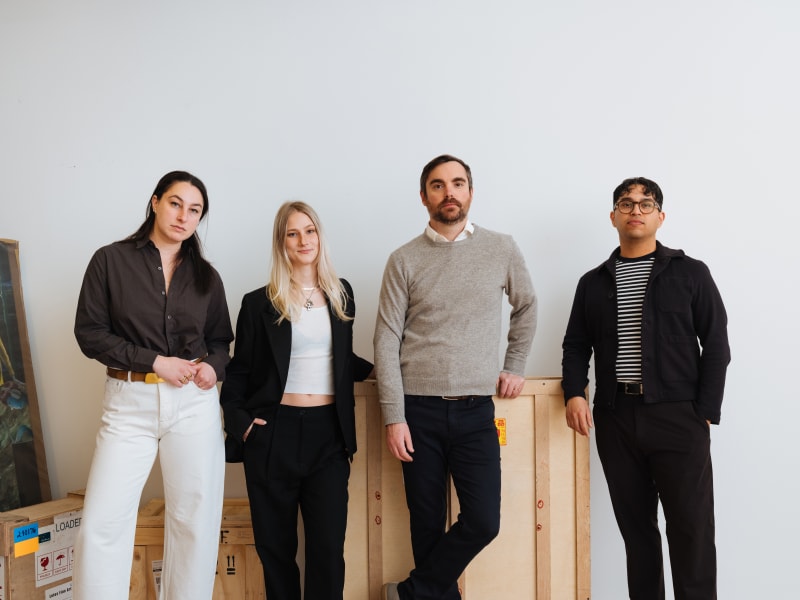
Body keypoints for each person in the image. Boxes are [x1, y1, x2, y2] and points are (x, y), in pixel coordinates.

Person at [374, 154, 538, 600]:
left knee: (484, 520)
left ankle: (410, 593)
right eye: (438, 185)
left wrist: (515, 363)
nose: (449, 192)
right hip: (418, 411)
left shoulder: (501, 248)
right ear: (424, 196)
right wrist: (394, 416)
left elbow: (526, 306)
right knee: (426, 524)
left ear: (470, 191)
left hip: (475, 412)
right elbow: (386, 340)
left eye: (458, 183)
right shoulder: (403, 259)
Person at [561, 177, 730, 600]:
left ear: (660, 216)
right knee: (637, 533)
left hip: (679, 418)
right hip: (617, 418)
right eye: (626, 203)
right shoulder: (593, 282)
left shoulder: (690, 273)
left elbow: (717, 342)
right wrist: (575, 391)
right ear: (614, 216)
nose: (636, 210)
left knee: (690, 530)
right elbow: (576, 344)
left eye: (645, 204)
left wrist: (705, 410)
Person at [73, 170, 233, 599]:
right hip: (129, 403)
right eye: (176, 203)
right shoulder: (110, 260)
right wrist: (155, 361)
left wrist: (212, 368)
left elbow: (221, 342)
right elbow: (89, 333)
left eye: (195, 210)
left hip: (194, 406)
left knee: (194, 521)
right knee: (103, 522)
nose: (183, 216)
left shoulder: (206, 277)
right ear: (156, 201)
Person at [220, 201, 373, 600]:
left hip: (329, 436)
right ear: (281, 243)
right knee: (276, 551)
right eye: (292, 233)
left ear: (320, 237)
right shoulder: (258, 303)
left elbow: (341, 359)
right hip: (273, 434)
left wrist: (384, 372)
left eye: (309, 230)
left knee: (326, 551)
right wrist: (241, 424)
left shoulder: (342, 295)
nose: (303, 240)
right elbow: (239, 372)